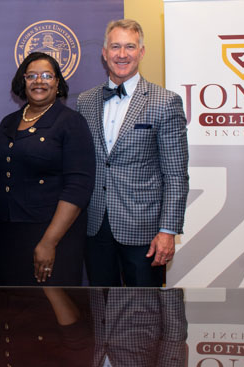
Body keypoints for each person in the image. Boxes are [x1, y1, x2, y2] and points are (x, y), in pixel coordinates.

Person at [75, 19, 189, 287]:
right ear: (104, 53)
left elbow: (175, 175)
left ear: (141, 52)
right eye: (115, 47)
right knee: (101, 310)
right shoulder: (86, 100)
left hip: (145, 233)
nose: (122, 54)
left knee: (146, 314)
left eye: (129, 46)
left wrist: (168, 231)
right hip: (95, 227)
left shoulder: (165, 102)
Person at [0, 52, 95, 285]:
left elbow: (78, 188)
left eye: (47, 75)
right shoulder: (8, 122)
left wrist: (48, 242)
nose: (39, 81)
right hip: (7, 236)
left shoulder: (71, 122)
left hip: (52, 235)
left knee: (50, 314)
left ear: (57, 83)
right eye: (31, 76)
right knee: (11, 313)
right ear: (22, 81)